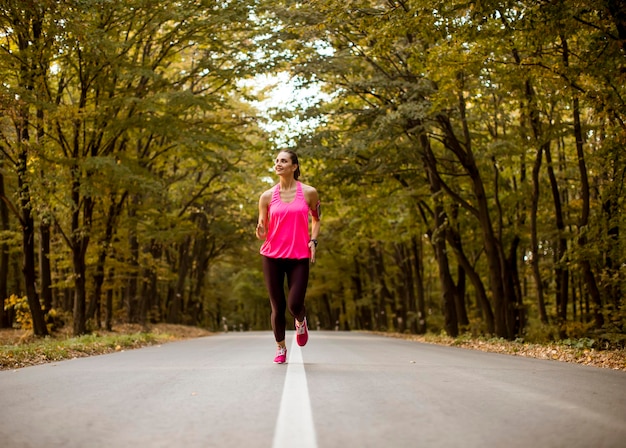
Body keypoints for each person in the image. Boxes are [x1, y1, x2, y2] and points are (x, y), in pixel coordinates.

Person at [256, 150, 321, 364]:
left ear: (294, 166)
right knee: (278, 306)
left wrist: (313, 240)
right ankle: (281, 348)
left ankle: (301, 321)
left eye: (283, 161)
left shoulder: (309, 192)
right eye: (276, 161)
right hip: (272, 256)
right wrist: (260, 230)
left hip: (299, 255)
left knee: (294, 304)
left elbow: (316, 218)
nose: (278, 164)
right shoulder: (266, 196)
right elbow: (263, 226)